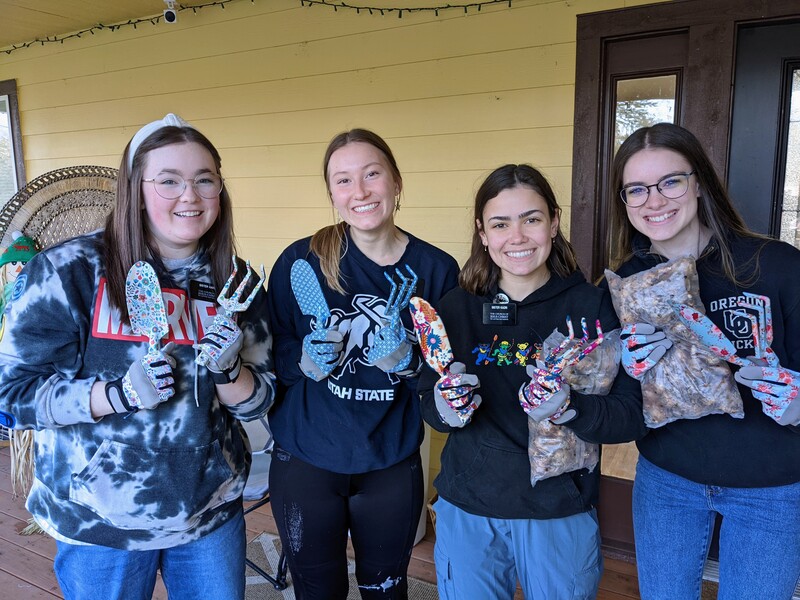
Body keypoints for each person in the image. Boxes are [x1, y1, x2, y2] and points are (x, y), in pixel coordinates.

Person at [0, 113, 275, 600]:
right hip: (100, 524)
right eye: (168, 181)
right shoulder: (68, 272)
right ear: (134, 188)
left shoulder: (234, 283)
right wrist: (115, 394)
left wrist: (229, 370)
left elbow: (258, 403)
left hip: (208, 511)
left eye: (204, 180)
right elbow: (13, 395)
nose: (189, 196)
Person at [417, 164, 642, 599]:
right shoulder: (455, 308)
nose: (516, 237)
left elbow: (630, 418)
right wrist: (444, 406)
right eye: (500, 223)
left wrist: (568, 406)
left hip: (559, 507)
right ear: (483, 233)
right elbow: (430, 406)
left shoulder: (593, 309)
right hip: (469, 505)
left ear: (554, 223)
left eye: (531, 219)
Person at [265, 128, 459, 599]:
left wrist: (410, 364)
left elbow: (444, 376)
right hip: (306, 458)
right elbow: (272, 350)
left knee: (385, 590)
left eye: (372, 174)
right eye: (344, 180)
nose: (361, 191)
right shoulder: (302, 261)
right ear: (332, 193)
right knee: (317, 590)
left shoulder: (436, 270)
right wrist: (303, 361)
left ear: (395, 181)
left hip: (390, 461)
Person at [609, 123, 800, 599]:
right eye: (637, 189)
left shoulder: (774, 264)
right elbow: (619, 403)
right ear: (625, 202)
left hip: (771, 488)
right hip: (667, 479)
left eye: (670, 181)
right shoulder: (624, 284)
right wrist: (623, 370)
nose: (655, 201)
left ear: (699, 183)